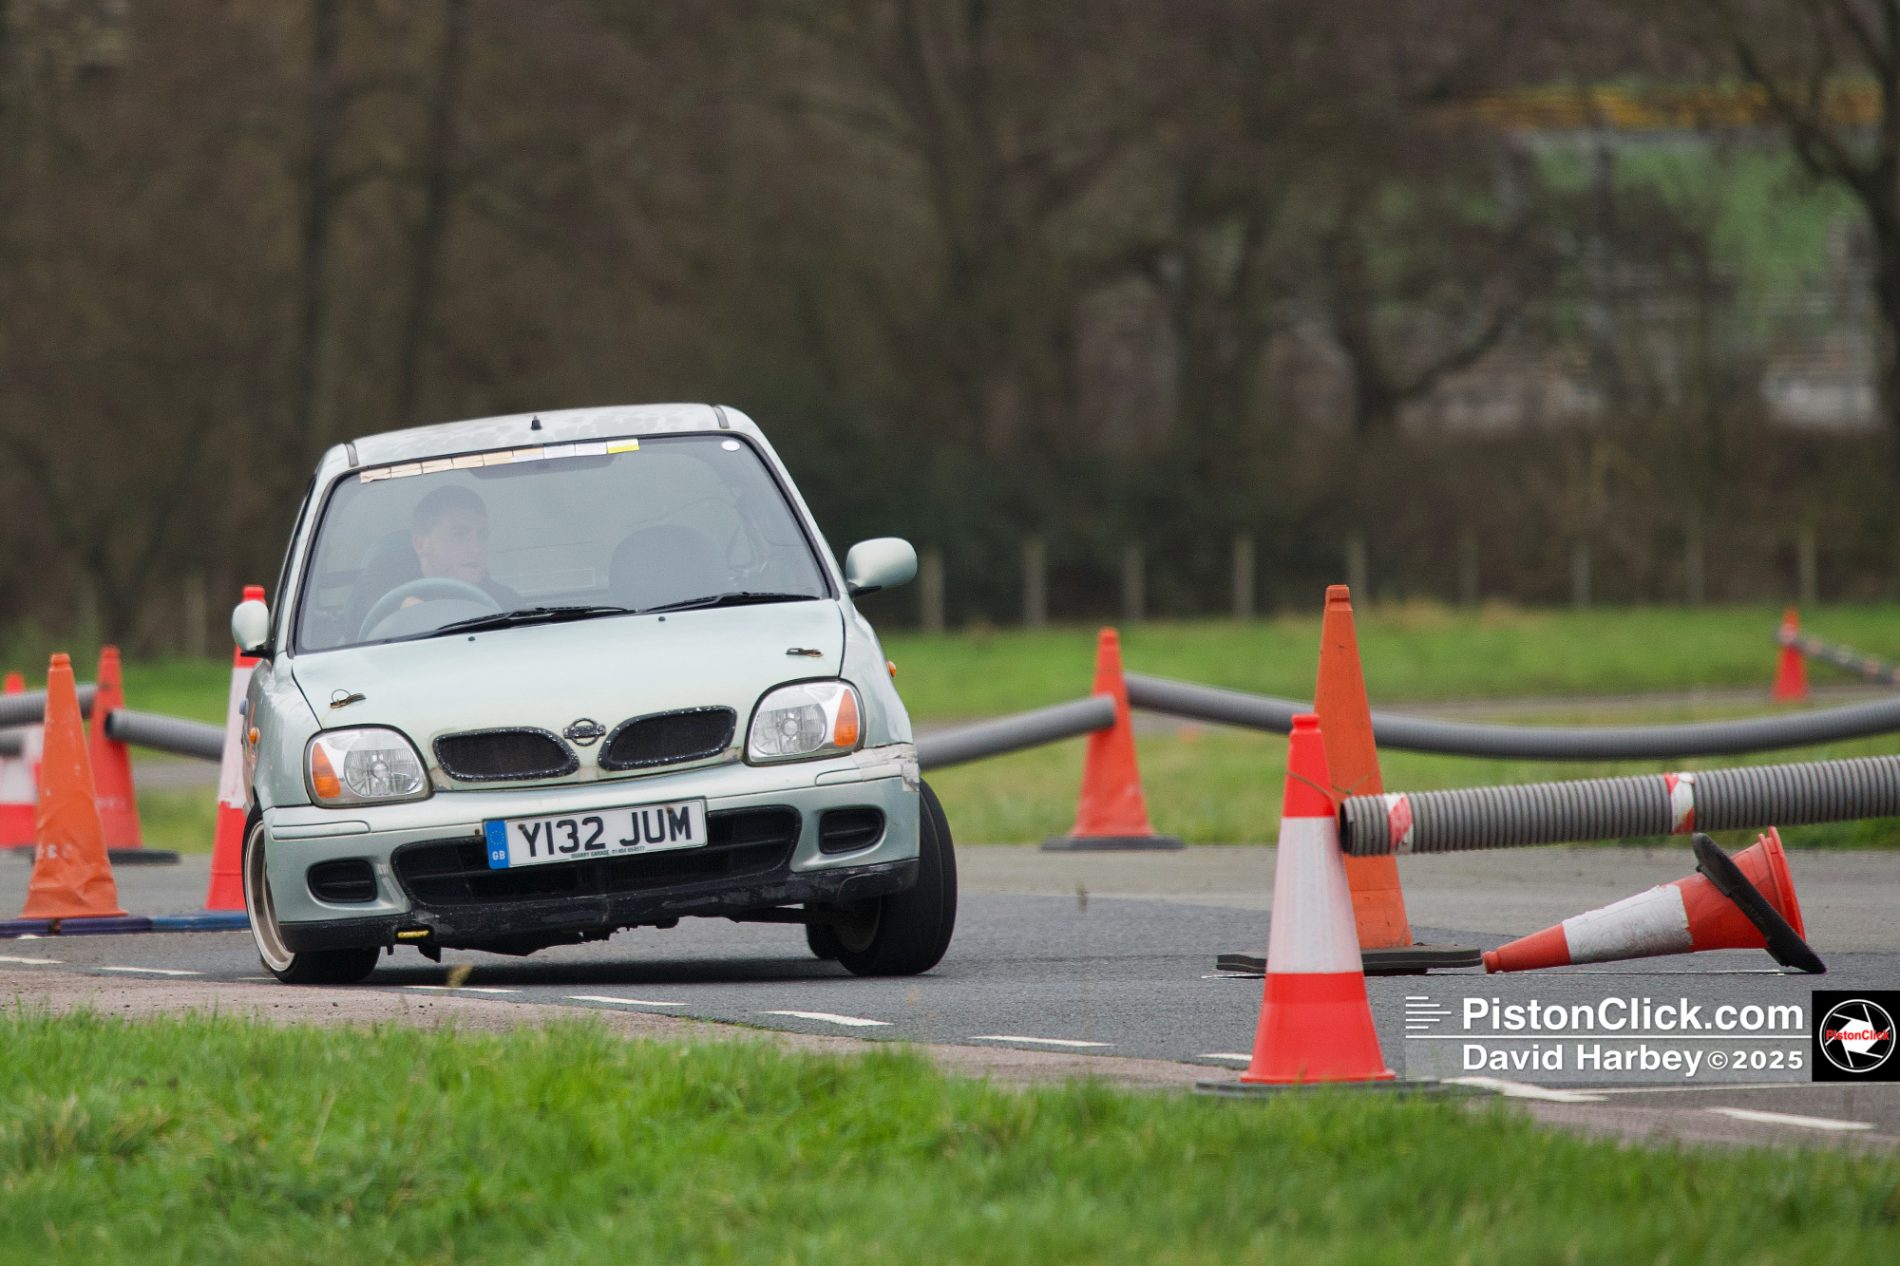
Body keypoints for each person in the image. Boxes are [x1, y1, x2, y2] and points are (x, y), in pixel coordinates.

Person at [346, 483, 520, 636]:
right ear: (421, 544)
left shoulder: (505, 602)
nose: (476, 547)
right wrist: (401, 606)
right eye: (459, 534)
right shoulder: (380, 583)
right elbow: (359, 610)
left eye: (482, 535)